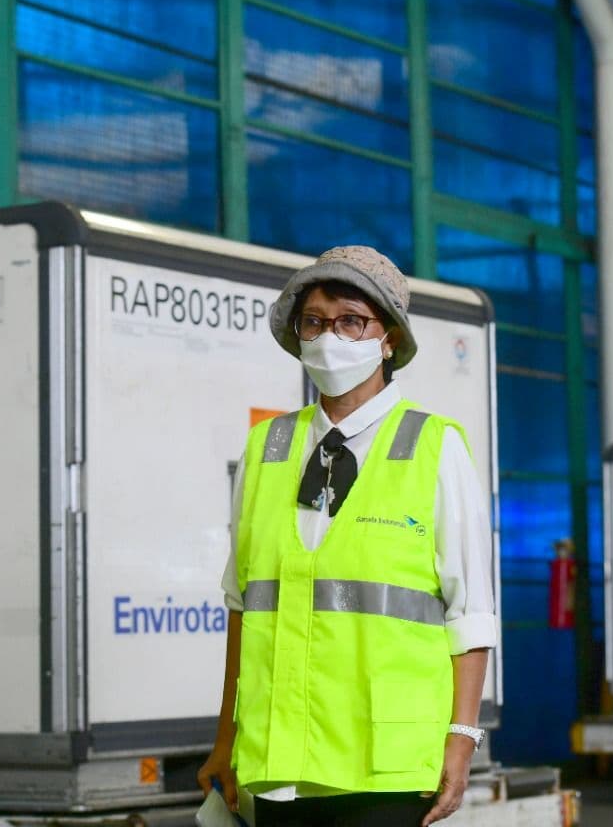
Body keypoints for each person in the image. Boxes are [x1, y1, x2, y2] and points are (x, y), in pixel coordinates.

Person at [197, 246, 498, 827]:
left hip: (386, 765)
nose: (329, 336)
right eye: (315, 321)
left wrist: (462, 738)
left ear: (387, 339)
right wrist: (225, 738)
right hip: (278, 765)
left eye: (351, 321)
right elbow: (242, 608)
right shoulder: (267, 448)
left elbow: (471, 613)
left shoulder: (435, 447)